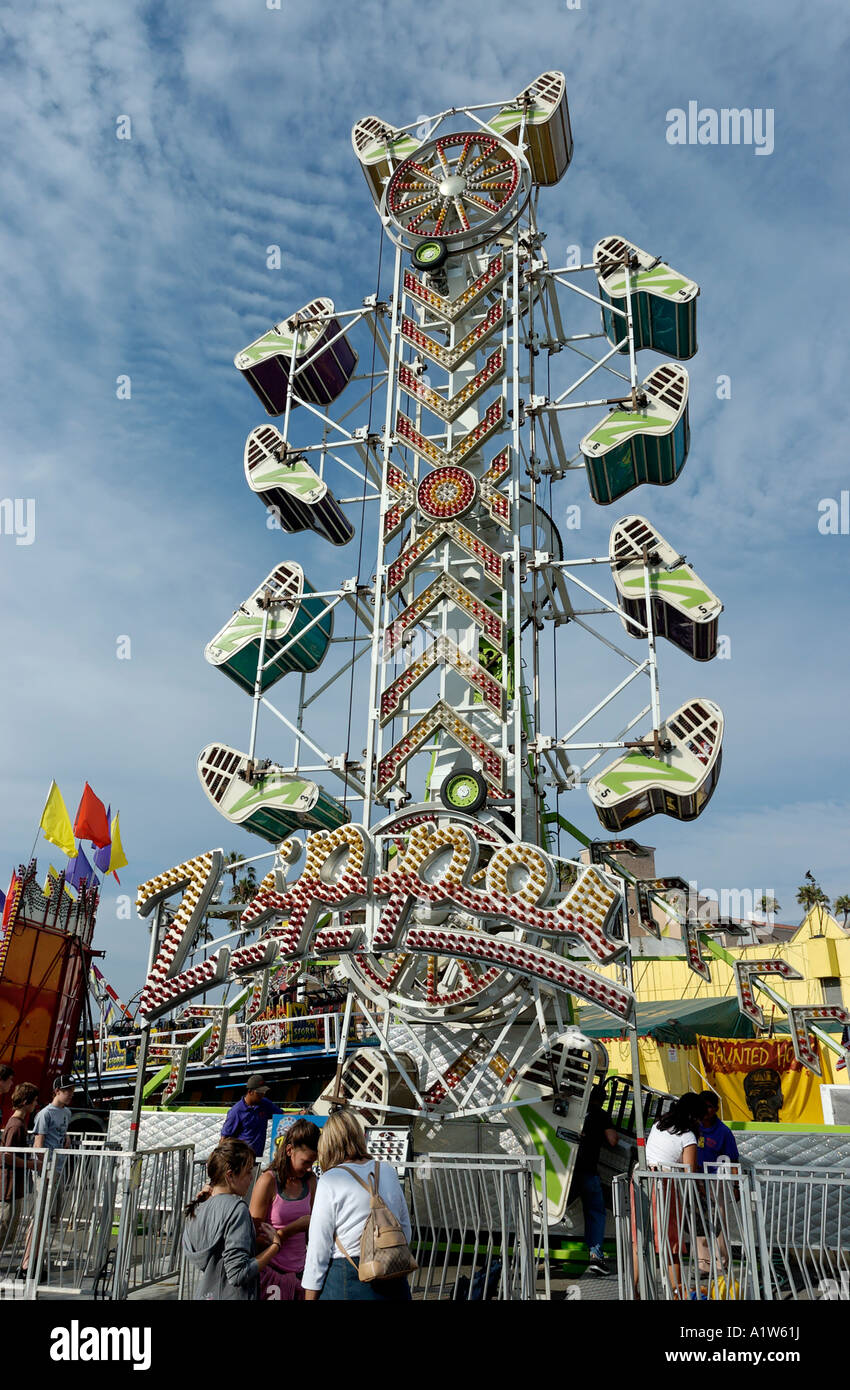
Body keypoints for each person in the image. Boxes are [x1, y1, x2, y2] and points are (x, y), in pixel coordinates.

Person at [302, 1110, 413, 1302]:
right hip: (393, 1275)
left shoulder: (331, 1179)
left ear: (328, 1143)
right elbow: (404, 1227)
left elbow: (319, 1248)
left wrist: (310, 1294)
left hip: (347, 1276)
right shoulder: (386, 1170)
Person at [182, 1139, 283, 1300]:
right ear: (230, 1175)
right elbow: (238, 1273)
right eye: (248, 1172)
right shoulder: (237, 1209)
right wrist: (275, 1246)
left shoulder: (199, 1207)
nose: (251, 1178)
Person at [640, 1092, 710, 1297]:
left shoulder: (658, 1125)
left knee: (639, 1243)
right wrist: (700, 1192)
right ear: (694, 1115)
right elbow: (690, 1170)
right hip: (666, 1185)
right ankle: (677, 1291)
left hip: (643, 1181)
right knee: (673, 1244)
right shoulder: (687, 1136)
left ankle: (634, 1290)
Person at [249, 1117, 320, 1300]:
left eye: (313, 1163)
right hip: (271, 1274)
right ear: (289, 1150)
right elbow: (251, 1238)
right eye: (305, 1162)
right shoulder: (268, 1181)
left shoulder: (311, 1181)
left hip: (302, 1275)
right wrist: (290, 1230)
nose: (309, 1168)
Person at [18, 1075, 75, 1279]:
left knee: (50, 1217)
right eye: (66, 1090)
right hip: (46, 1170)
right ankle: (27, 1263)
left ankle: (35, 1259)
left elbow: (62, 1133)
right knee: (39, 1217)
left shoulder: (66, 1112)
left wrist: (66, 1138)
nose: (70, 1093)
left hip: (58, 1168)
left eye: (72, 1090)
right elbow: (38, 1144)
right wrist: (42, 1169)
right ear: (57, 1091)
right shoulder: (44, 1114)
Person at [573, 1083, 618, 1276]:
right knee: (596, 1213)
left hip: (568, 1172)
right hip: (588, 1171)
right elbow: (613, 1140)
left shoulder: (577, 1110)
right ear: (603, 1100)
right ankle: (595, 1256)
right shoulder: (601, 1115)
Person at [695, 1091, 739, 1276]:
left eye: (709, 1107)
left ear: (716, 1109)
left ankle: (722, 1262)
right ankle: (703, 1265)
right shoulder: (693, 1127)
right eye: (703, 1107)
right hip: (696, 1180)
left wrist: (736, 1186)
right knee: (699, 1222)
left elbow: (733, 1160)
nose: (706, 1111)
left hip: (716, 1182)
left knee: (718, 1222)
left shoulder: (723, 1132)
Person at [0, 1083, 39, 1246]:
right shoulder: (16, 1125)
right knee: (3, 1229)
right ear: (25, 1102)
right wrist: (31, 1164)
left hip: (13, 1186)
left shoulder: (18, 1123)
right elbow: (6, 1155)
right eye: (34, 1101)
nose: (36, 1104)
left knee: (7, 1232)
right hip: (9, 1187)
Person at [220, 1074, 284, 1157]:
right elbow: (224, 1139)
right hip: (241, 1160)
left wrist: (301, 1113)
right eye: (259, 1093)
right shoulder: (236, 1111)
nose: (262, 1095)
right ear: (250, 1092)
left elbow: (282, 1114)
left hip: (256, 1158)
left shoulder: (264, 1104)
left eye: (263, 1092)